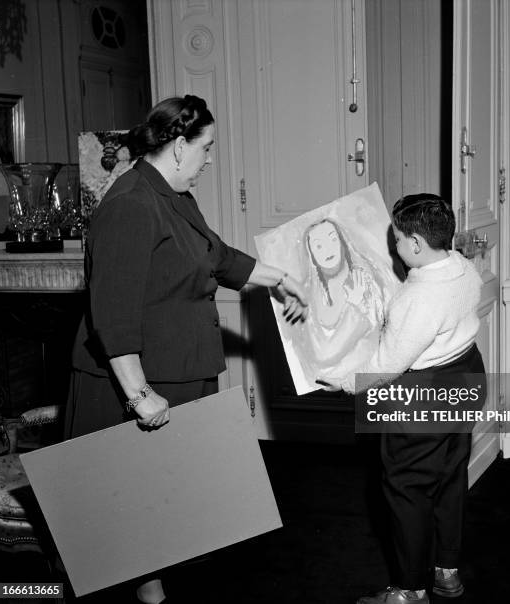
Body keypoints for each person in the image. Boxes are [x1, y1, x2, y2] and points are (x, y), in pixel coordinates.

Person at [66, 94, 308, 604]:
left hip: (180, 363)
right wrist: (138, 395)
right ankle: (141, 585)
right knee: (124, 502)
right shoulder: (131, 205)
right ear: (179, 146)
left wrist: (279, 278)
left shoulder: (172, 194)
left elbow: (216, 255)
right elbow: (112, 313)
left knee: (162, 493)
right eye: (207, 146)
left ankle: (151, 578)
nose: (211, 158)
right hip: (143, 375)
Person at [320, 194, 485, 604]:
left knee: (407, 489)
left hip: (423, 393)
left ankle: (410, 591)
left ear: (415, 244)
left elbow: (386, 365)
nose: (392, 247)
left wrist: (341, 381)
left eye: (396, 239)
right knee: (449, 477)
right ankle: (446, 571)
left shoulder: (418, 299)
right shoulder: (463, 267)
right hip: (466, 376)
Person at [287, 218, 391, 387]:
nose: (328, 249)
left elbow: (373, 344)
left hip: (365, 385)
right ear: (311, 255)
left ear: (343, 243)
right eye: (319, 246)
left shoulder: (365, 280)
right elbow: (321, 354)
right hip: (322, 390)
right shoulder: (307, 293)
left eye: (333, 239)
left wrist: (355, 305)